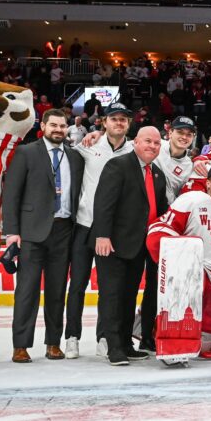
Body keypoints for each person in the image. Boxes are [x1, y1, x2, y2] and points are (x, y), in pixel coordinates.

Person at [2, 110, 84, 363]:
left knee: (57, 291)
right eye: (54, 125)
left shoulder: (75, 156)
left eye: (63, 125)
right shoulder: (27, 152)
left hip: (64, 231)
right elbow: (12, 194)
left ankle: (53, 343)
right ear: (44, 126)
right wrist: (12, 232)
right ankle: (21, 345)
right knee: (26, 291)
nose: (59, 129)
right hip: (31, 232)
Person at [146, 163, 211, 360]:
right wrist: (173, 256)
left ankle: (202, 345)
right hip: (193, 270)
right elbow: (162, 227)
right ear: (208, 183)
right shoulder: (192, 200)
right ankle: (172, 346)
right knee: (179, 309)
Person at [91, 126, 168, 365]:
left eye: (156, 143)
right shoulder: (118, 165)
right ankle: (113, 347)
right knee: (112, 296)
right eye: (147, 141)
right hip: (112, 244)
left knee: (128, 296)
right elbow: (103, 202)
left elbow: (160, 209)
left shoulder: (157, 173)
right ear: (136, 142)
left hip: (138, 247)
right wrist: (102, 235)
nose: (152, 146)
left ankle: (126, 343)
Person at [65, 103, 135, 359]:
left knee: (108, 288)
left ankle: (104, 337)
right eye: (114, 119)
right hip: (85, 225)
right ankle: (71, 336)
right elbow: (62, 150)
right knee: (78, 285)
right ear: (104, 122)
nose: (119, 123)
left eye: (123, 120)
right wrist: (89, 134)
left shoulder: (133, 150)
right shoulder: (88, 146)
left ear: (128, 124)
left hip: (112, 231)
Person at [155, 116, 196, 204]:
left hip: (164, 212)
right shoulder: (155, 145)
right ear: (170, 133)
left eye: (189, 134)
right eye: (180, 132)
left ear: (192, 138)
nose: (184, 137)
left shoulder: (190, 167)